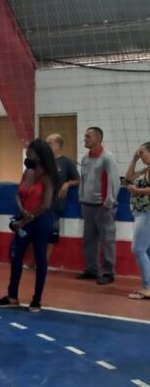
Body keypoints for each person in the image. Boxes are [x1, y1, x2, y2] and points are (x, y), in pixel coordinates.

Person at [0, 139, 58, 312]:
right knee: (16, 257)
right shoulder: (27, 172)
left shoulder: (48, 177)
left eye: (30, 154)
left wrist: (26, 218)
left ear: (39, 156)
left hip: (40, 221)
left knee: (40, 258)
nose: (27, 157)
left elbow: (45, 204)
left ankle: (36, 299)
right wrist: (21, 210)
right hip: (24, 219)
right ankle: (12, 295)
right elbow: (18, 193)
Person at [77, 127, 120, 285]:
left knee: (107, 239)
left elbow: (114, 181)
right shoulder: (85, 159)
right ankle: (91, 269)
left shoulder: (108, 158)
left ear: (98, 138)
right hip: (87, 205)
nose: (85, 139)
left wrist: (108, 203)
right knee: (89, 240)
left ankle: (108, 272)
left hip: (103, 206)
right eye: (85, 136)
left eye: (88, 136)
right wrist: (81, 198)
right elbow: (83, 180)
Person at [45, 134, 79, 262]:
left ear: (58, 145)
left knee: (51, 235)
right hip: (41, 203)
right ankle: (33, 261)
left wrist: (67, 184)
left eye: (50, 143)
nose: (47, 145)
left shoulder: (67, 162)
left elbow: (78, 180)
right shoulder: (42, 161)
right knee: (37, 233)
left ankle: (44, 262)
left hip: (56, 204)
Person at [124, 142, 150, 300]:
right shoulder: (146, 169)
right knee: (145, 250)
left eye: (142, 152)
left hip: (147, 213)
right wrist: (133, 159)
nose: (140, 155)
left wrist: (137, 191)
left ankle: (147, 286)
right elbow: (128, 178)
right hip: (141, 212)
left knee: (138, 249)